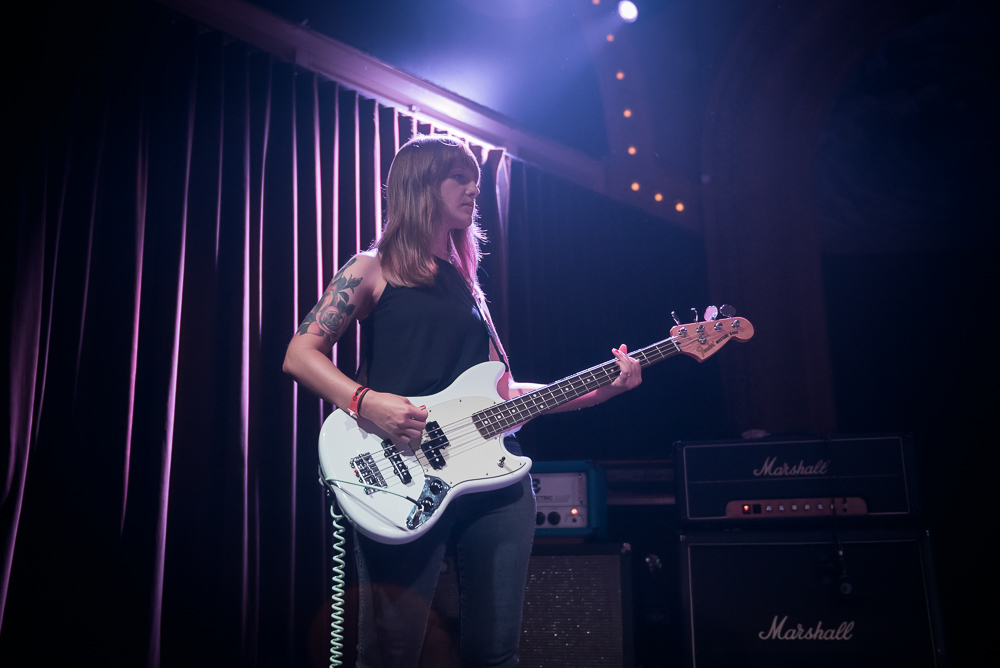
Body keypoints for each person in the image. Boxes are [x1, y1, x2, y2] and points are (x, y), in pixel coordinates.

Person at [283, 134, 641, 668]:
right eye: (459, 176)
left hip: (495, 486)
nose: (475, 187)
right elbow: (299, 353)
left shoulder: (469, 286)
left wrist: (603, 388)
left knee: (496, 654)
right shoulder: (371, 268)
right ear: (421, 184)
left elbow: (509, 394)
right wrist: (365, 401)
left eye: (475, 176)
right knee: (390, 652)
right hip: (399, 472)